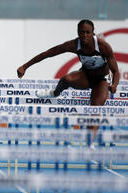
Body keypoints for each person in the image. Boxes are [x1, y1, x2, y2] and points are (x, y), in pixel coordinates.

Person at [17, 19, 120, 148]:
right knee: (66, 79)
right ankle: (55, 93)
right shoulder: (73, 45)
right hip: (86, 75)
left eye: (88, 32)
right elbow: (48, 53)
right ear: (77, 32)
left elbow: (115, 70)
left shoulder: (103, 46)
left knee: (95, 106)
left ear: (93, 33)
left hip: (102, 79)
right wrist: (25, 66)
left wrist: (114, 85)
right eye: (82, 32)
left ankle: (90, 142)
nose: (85, 35)